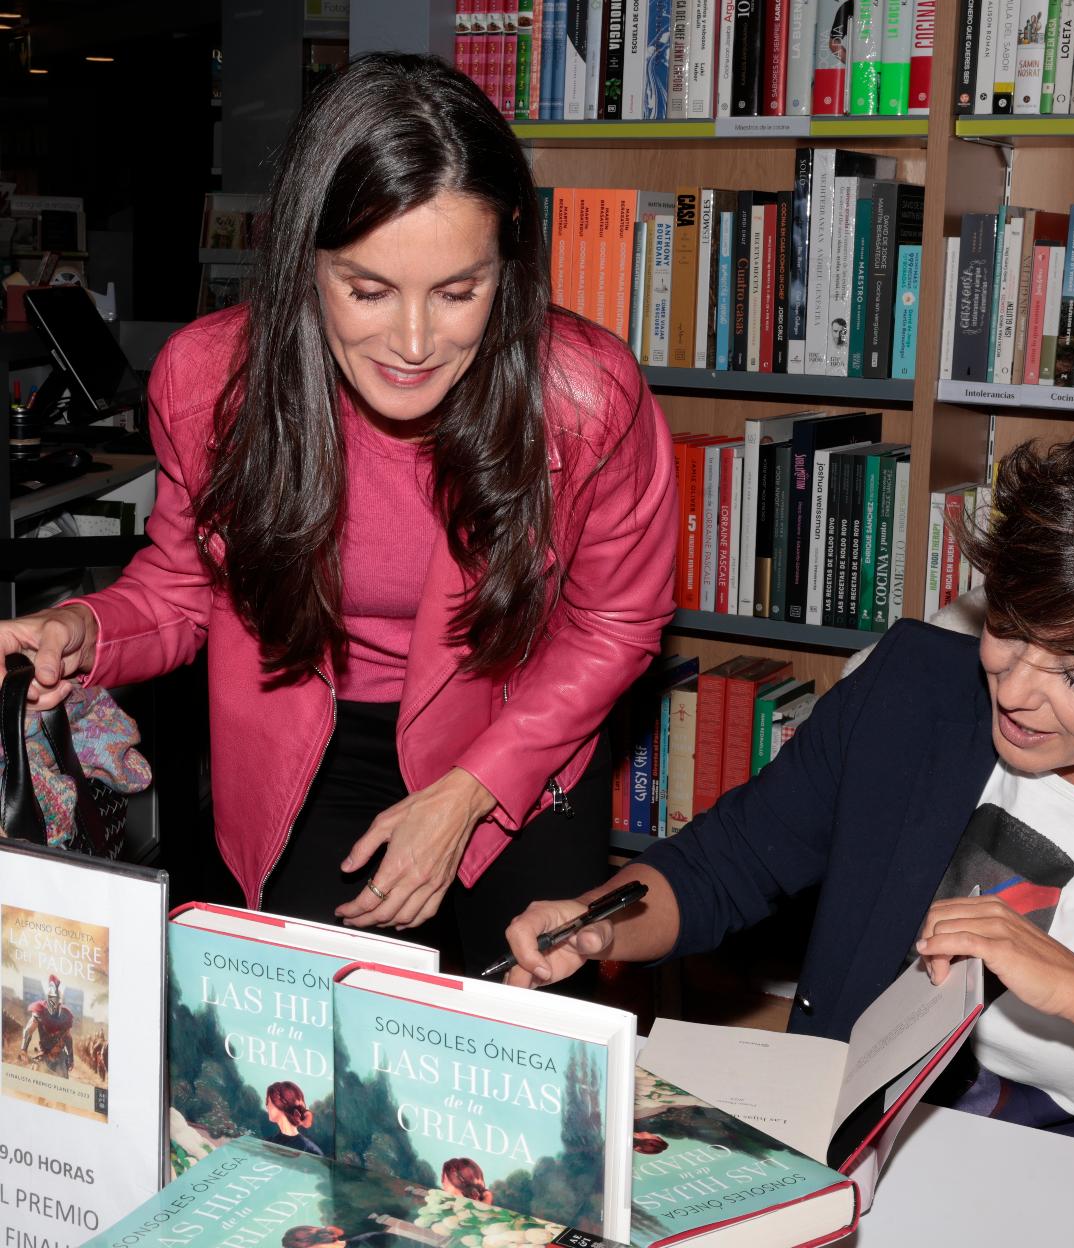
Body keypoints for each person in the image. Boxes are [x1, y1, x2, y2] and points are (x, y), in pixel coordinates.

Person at [0, 54, 676, 972]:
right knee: (307, 1058)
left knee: (512, 1045)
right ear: (301, 259)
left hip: (519, 737)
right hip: (305, 748)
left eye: (457, 291)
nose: (410, 343)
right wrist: (86, 627)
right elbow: (182, 588)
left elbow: (615, 623)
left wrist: (472, 788)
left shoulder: (587, 395)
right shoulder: (210, 382)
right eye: (365, 289)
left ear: (508, 257)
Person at [504, 413, 1074, 1193]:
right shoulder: (911, 691)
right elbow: (723, 866)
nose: (1019, 691)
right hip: (866, 1140)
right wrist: (593, 926)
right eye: (1009, 628)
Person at [20, 974, 74, 1077]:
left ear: (60, 1002)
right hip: (45, 1054)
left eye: (56, 1001)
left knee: (62, 1084)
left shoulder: (65, 1014)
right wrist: (23, 1049)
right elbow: (29, 1030)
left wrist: (71, 1058)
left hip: (60, 1057)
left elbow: (68, 1037)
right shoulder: (40, 1011)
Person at [263, 1080, 323, 1155]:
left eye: (268, 1101)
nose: (267, 1105)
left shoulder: (310, 1150)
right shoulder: (269, 1142)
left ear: (279, 1105)